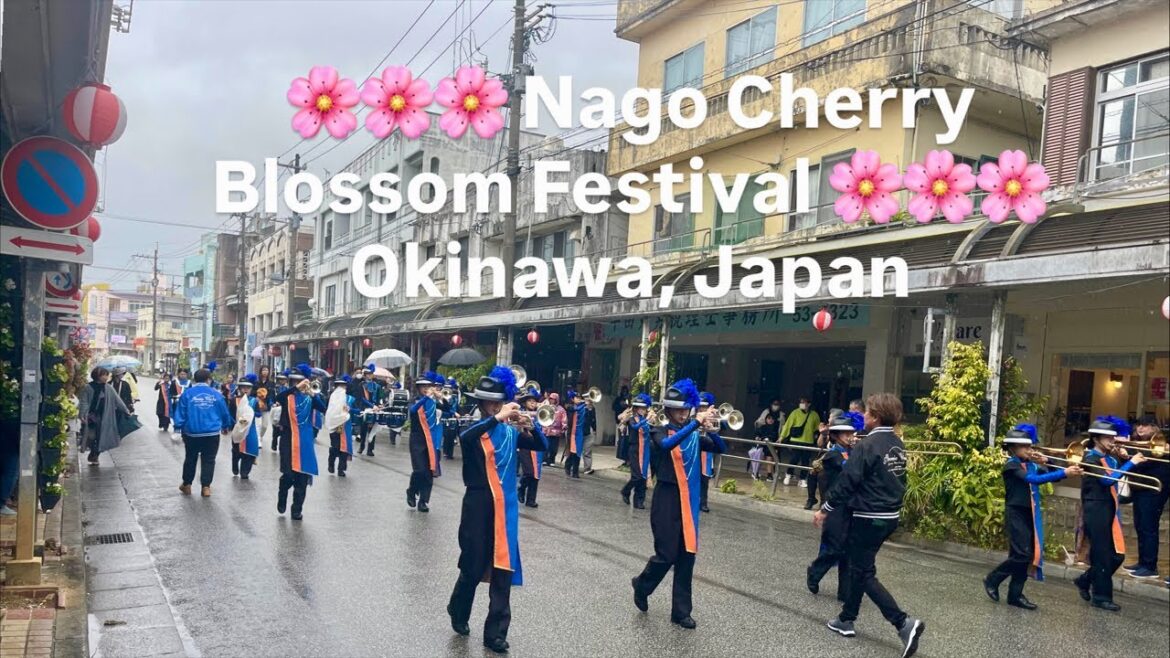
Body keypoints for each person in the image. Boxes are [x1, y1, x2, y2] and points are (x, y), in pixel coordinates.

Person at [816, 392, 924, 658]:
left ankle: (903, 623)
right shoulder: (897, 443)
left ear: (875, 417)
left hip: (868, 515)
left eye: (867, 412)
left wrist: (825, 509)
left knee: (863, 572)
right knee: (859, 565)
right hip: (888, 516)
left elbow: (848, 481)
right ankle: (846, 618)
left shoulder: (867, 445)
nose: (863, 415)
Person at [447, 366, 547, 654]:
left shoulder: (508, 431)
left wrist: (530, 424)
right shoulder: (475, 429)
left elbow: (539, 445)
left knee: (503, 570)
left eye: (498, 402)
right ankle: (458, 608)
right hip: (478, 505)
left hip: (506, 509)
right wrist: (499, 418)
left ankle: (495, 634)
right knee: (473, 566)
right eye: (489, 402)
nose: (494, 406)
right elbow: (466, 438)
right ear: (481, 404)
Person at [630, 378, 727, 629]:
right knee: (666, 554)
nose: (683, 414)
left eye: (687, 410)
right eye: (679, 410)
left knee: (686, 557)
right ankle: (642, 584)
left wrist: (714, 430)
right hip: (666, 498)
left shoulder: (695, 434)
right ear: (669, 411)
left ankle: (681, 611)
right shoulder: (658, 429)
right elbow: (666, 445)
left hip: (688, 501)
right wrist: (696, 422)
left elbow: (721, 448)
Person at [983, 423, 1080, 610]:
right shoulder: (1011, 465)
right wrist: (1063, 471)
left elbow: (1053, 476)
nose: (1030, 450)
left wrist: (1049, 463)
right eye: (1025, 447)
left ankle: (1015, 595)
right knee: (1022, 554)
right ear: (1013, 448)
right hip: (1015, 512)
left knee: (1025, 556)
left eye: (1030, 446)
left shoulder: (1031, 465)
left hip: (1030, 512)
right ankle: (992, 579)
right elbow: (1033, 480)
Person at [1074, 417, 1146, 611]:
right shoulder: (1090, 459)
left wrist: (1124, 459)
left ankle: (1084, 580)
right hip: (1094, 510)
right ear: (1097, 439)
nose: (1112, 441)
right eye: (1108, 438)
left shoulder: (1110, 458)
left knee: (1117, 555)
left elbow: (1118, 476)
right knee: (1103, 555)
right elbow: (1106, 481)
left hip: (1108, 509)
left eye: (1113, 437)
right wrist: (1130, 462)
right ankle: (1101, 597)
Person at [806, 411, 864, 601]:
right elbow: (849, 469)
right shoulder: (832, 455)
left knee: (848, 549)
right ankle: (815, 571)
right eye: (845, 434)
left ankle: (844, 592)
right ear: (836, 435)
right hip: (834, 505)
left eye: (851, 433)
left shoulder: (852, 451)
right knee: (836, 547)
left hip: (850, 505)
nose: (850, 436)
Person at [275, 364, 328, 520]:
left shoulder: (309, 397)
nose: (297, 383)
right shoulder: (287, 395)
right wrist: (296, 388)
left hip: (305, 440)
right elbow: (278, 398)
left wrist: (313, 394)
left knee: (302, 477)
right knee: (289, 475)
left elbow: (323, 408)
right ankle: (283, 493)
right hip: (287, 439)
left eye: (300, 380)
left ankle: (296, 509)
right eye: (294, 380)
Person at [173, 368, 233, 497]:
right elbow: (224, 412)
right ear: (209, 379)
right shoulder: (216, 394)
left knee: (190, 458)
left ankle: (187, 484)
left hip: (191, 432)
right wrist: (226, 425)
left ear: (194, 379)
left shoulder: (187, 394)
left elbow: (180, 412)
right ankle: (206, 487)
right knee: (209, 460)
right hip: (211, 433)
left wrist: (178, 427)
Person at [1124, 415, 1169, 580]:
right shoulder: (1137, 443)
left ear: (1153, 428)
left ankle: (1150, 566)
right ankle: (1143, 562)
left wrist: (1127, 455)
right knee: (1140, 526)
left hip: (1153, 491)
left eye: (1145, 425)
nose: (1140, 429)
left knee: (1149, 527)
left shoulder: (1160, 444)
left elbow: (1146, 463)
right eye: (1138, 425)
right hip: (1140, 489)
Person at [77, 366, 131, 465]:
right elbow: (83, 401)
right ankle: (93, 452)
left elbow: (117, 400)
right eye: (104, 375)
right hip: (91, 416)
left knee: (102, 436)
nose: (106, 377)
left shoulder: (108, 388)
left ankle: (95, 455)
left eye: (107, 375)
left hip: (105, 416)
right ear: (97, 376)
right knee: (91, 436)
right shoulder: (88, 387)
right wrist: (82, 414)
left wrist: (126, 410)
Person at [408, 371, 445, 512]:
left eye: (428, 386)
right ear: (418, 388)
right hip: (417, 440)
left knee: (429, 472)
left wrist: (442, 398)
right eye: (423, 386)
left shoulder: (434, 402)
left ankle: (423, 501)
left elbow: (447, 410)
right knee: (419, 470)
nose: (426, 388)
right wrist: (426, 398)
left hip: (432, 441)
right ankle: (411, 491)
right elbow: (412, 411)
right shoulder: (416, 400)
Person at [516, 386, 548, 509]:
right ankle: (522, 487)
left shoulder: (539, 414)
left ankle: (531, 500)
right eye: (530, 401)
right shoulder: (521, 413)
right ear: (525, 402)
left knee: (536, 474)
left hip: (537, 446)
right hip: (525, 446)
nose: (533, 403)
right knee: (529, 472)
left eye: (534, 401)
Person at [619, 393, 653, 509]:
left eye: (644, 408)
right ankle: (625, 490)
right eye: (641, 408)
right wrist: (646, 420)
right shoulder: (632, 419)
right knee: (637, 476)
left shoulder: (647, 420)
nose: (643, 410)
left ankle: (639, 501)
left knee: (643, 477)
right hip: (634, 450)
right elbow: (635, 427)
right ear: (636, 408)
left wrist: (651, 421)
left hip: (645, 450)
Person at [780, 397, 821, 487]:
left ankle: (802, 479)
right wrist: (782, 437)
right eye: (800, 402)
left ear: (809, 404)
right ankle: (788, 474)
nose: (802, 404)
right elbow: (787, 425)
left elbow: (817, 427)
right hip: (796, 440)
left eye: (804, 402)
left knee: (805, 461)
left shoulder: (814, 415)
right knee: (794, 458)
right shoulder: (795, 412)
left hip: (808, 441)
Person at [228, 375, 261, 479]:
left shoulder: (254, 401)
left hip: (250, 429)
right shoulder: (234, 400)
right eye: (243, 387)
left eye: (248, 388)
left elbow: (259, 414)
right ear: (239, 388)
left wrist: (252, 414)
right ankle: (235, 463)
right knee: (237, 450)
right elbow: (230, 414)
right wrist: (236, 424)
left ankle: (245, 471)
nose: (245, 390)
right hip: (237, 429)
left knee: (250, 450)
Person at [325, 376, 356, 477]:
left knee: (344, 448)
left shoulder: (350, 399)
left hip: (345, 425)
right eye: (340, 386)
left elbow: (354, 409)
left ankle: (341, 469)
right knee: (335, 447)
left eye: (343, 386)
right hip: (335, 425)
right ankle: (331, 463)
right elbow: (329, 410)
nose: (342, 388)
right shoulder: (332, 398)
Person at [754, 399, 784, 481]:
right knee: (760, 456)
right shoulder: (766, 412)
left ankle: (772, 474)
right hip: (763, 442)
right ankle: (755, 472)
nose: (770, 420)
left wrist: (781, 437)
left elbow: (783, 427)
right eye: (774, 404)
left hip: (775, 439)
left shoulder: (781, 415)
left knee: (773, 457)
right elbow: (758, 425)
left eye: (777, 404)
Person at [697, 392, 717, 513]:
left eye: (704, 406)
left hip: (706, 452)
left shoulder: (712, 417)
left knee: (705, 479)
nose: (702, 408)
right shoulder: (693, 416)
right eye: (700, 406)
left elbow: (723, 426)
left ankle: (703, 503)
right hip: (695, 449)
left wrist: (712, 420)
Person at [563, 390, 589, 478]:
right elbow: (573, 409)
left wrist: (589, 405)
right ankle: (568, 467)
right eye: (577, 398)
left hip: (580, 433)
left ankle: (575, 471)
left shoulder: (585, 408)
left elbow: (589, 416)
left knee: (578, 452)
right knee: (571, 452)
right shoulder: (570, 406)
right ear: (573, 399)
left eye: (580, 398)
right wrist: (584, 403)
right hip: (572, 433)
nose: (578, 399)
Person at [255, 365, 275, 448]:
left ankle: (261, 436)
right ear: (260, 372)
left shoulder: (271, 383)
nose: (265, 372)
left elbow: (273, 395)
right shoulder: (256, 383)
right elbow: (252, 393)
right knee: (258, 424)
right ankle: (258, 439)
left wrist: (273, 402)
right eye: (263, 370)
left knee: (265, 425)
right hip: (257, 406)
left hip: (266, 407)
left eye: (267, 370)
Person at [543, 392, 566, 466]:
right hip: (546, 430)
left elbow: (564, 418)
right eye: (551, 399)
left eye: (554, 399)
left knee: (554, 448)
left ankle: (552, 460)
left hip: (556, 431)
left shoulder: (561, 409)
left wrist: (564, 426)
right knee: (546, 445)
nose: (552, 400)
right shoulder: (545, 407)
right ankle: (545, 459)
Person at [442, 377, 461, 460]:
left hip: (453, 419)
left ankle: (450, 453)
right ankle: (446, 452)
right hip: (445, 417)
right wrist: (453, 412)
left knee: (452, 436)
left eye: (450, 388)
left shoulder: (454, 398)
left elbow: (456, 407)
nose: (448, 390)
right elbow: (445, 408)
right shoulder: (443, 397)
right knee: (446, 436)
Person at [613, 384, 631, 465]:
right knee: (621, 439)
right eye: (623, 391)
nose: (624, 393)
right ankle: (623, 458)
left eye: (625, 391)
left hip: (628, 422)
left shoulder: (629, 399)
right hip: (620, 421)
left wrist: (627, 405)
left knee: (625, 441)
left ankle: (626, 459)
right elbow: (613, 407)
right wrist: (620, 405)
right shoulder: (618, 399)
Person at [172, 368, 191, 440]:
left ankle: (184, 432)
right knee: (176, 416)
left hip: (186, 403)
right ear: (178, 374)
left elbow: (190, 393)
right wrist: (175, 396)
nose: (183, 376)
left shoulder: (189, 383)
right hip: (176, 402)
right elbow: (171, 392)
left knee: (185, 417)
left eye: (184, 374)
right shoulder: (174, 382)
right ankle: (176, 430)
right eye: (181, 374)